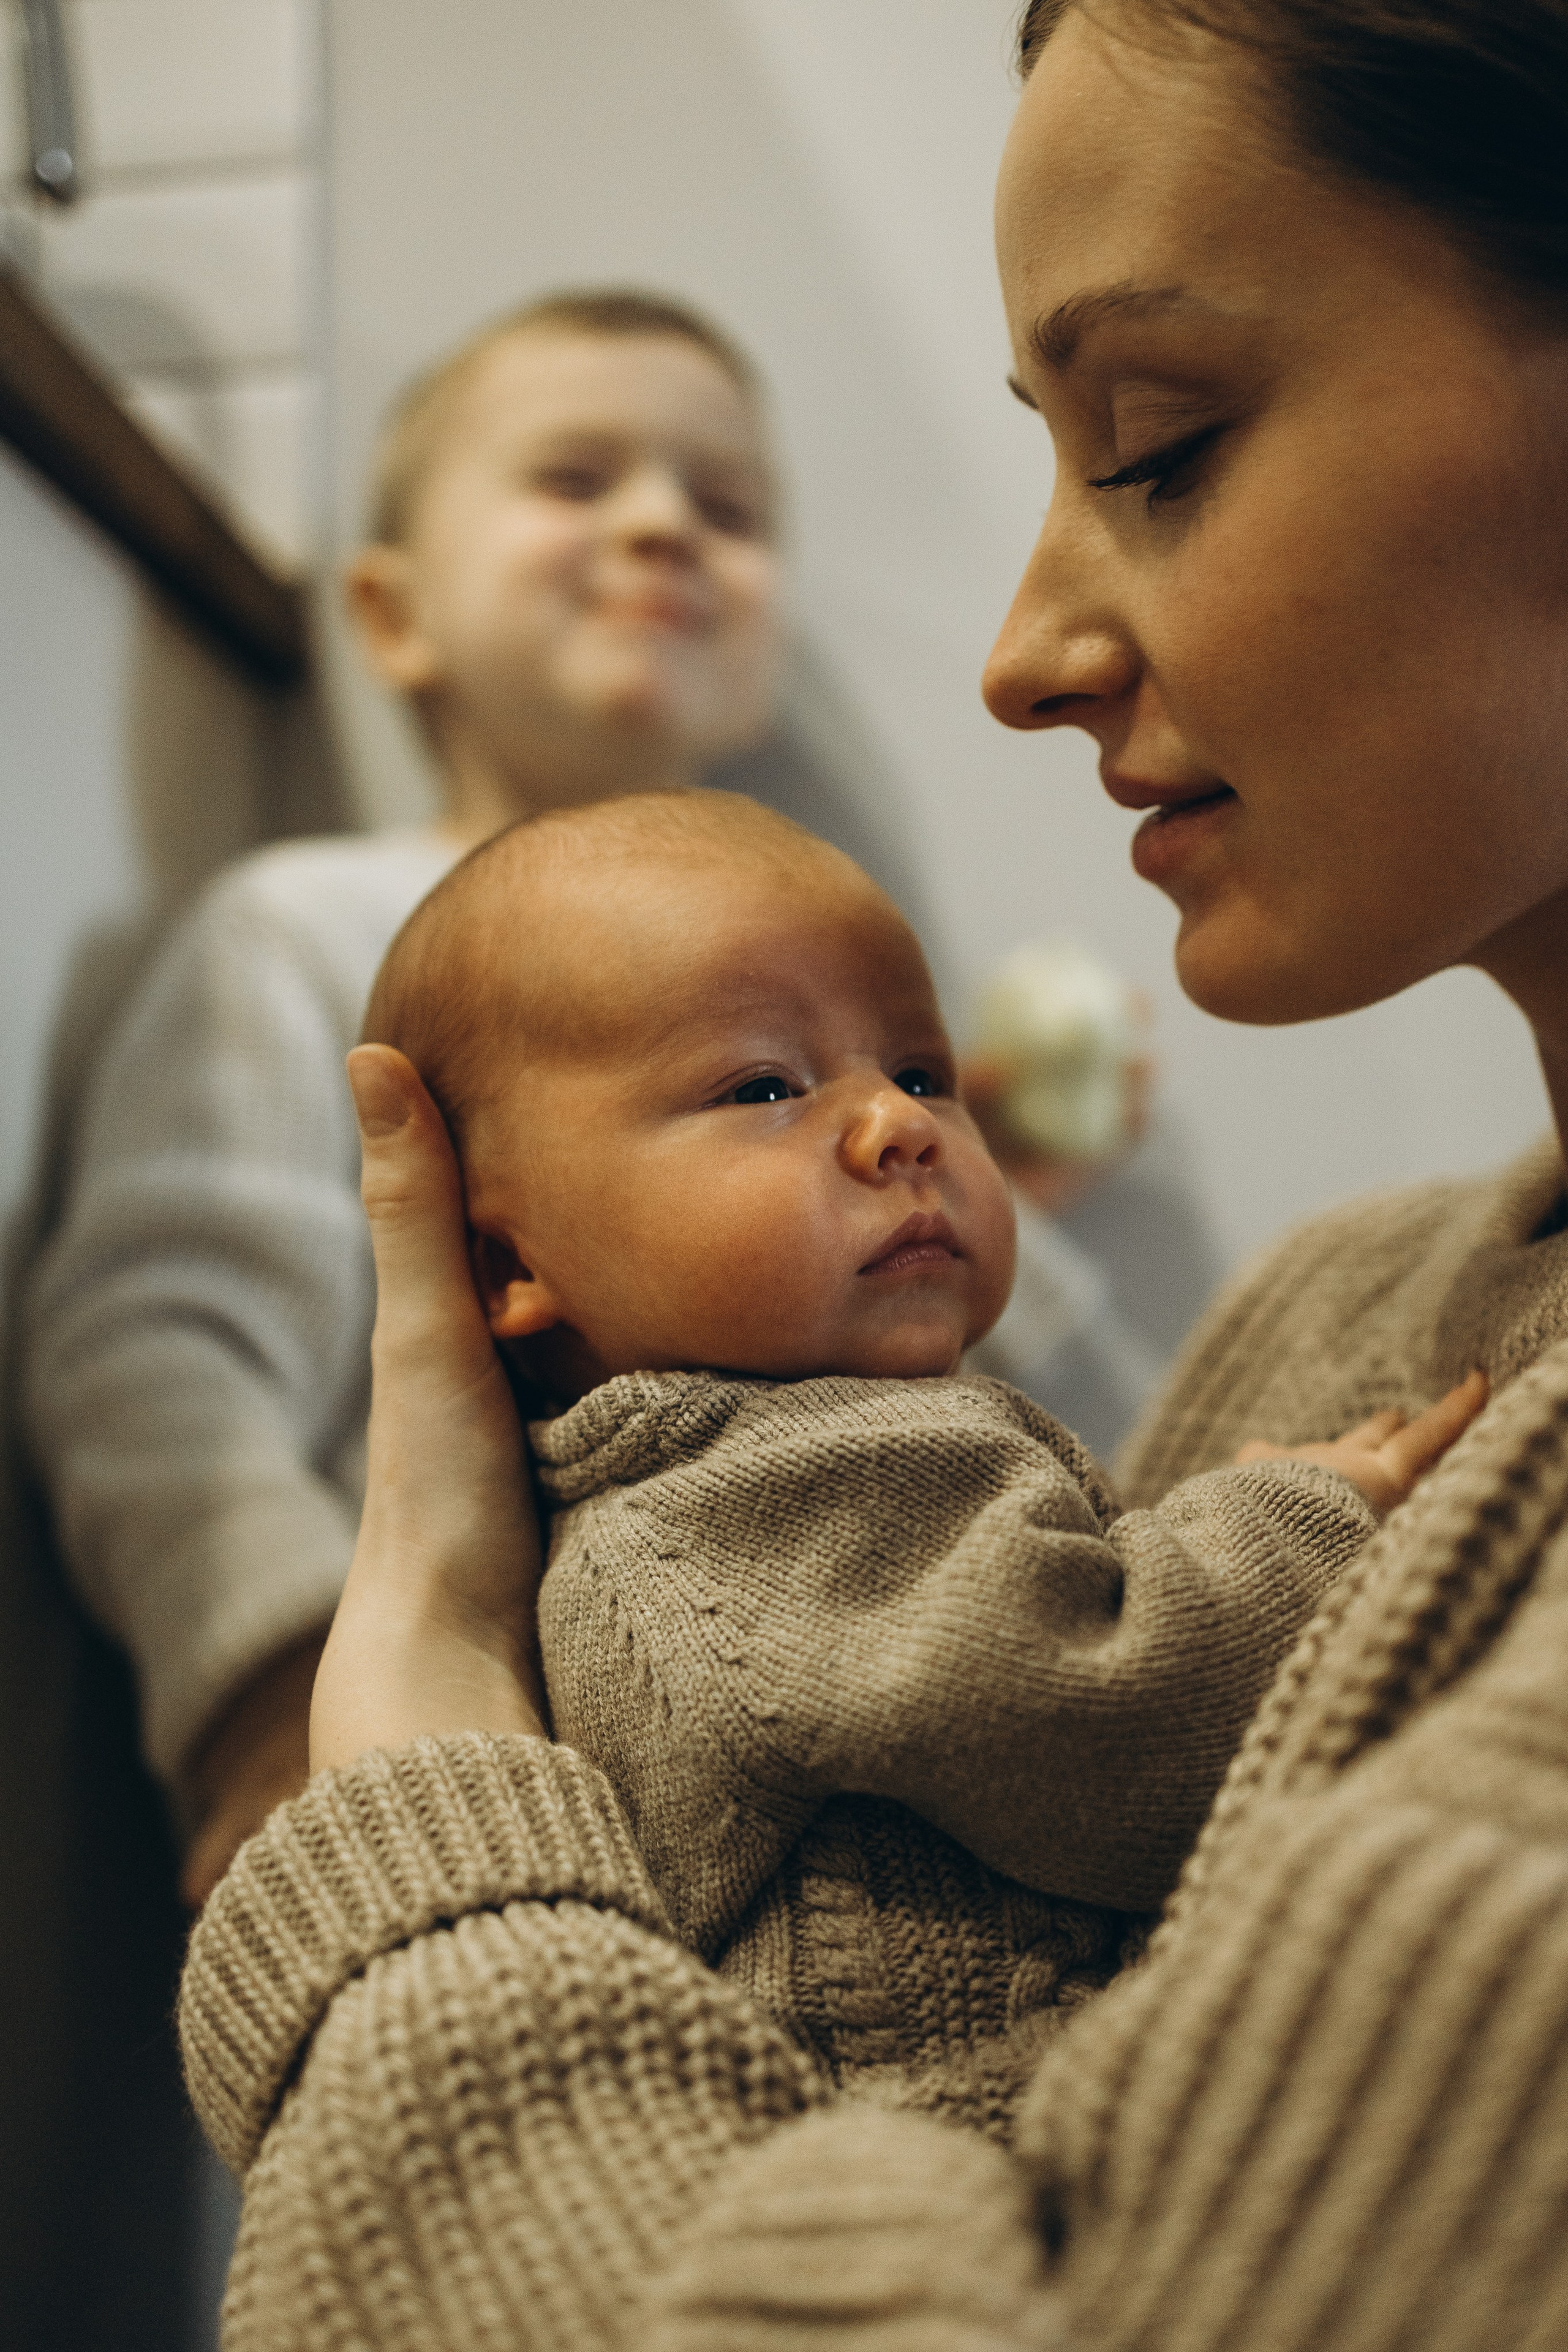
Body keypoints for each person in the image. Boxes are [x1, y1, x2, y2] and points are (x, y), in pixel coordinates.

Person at [179, 2, 1568, 2346]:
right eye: (751, 1087)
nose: (1020, 655)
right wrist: (293, 1685)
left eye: (1162, 442)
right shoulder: (1335, 1318)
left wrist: (418, 1802)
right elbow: (1062, 1642)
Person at [359, 788, 1479, 2138]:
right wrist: (1307, 1517)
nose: (895, 1126)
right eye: (764, 1087)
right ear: (508, 1266)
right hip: (950, 2149)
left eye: (918, 1070)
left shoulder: (760, 1468)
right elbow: (1097, 1713)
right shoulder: (749, 1503)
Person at [23, 287, 785, 1903]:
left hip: (809, 1774)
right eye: (576, 481)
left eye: (724, 506)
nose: (660, 524)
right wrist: (267, 1689)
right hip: (464, 1783)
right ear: (393, 617)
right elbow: (154, 1354)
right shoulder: (307, 938)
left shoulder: (817, 986)